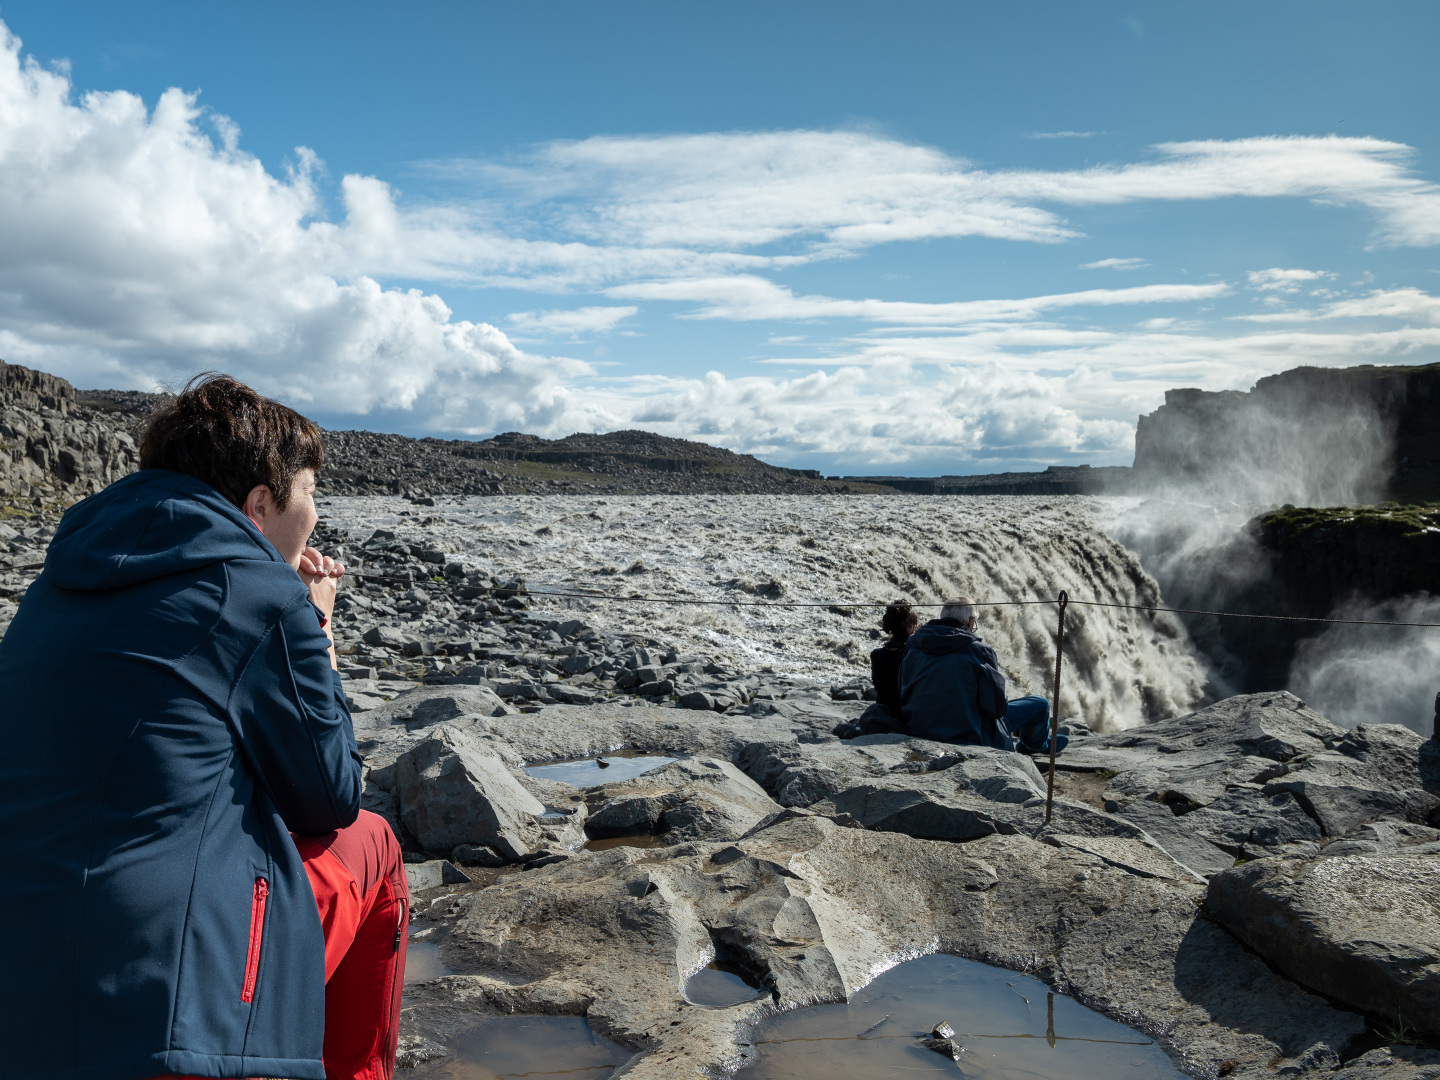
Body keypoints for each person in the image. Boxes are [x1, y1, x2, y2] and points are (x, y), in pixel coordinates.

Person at [0, 375, 407, 1080]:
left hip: (21, 964)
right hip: (151, 1004)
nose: (314, 511)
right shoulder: (261, 596)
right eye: (310, 492)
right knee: (373, 843)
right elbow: (330, 795)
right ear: (258, 504)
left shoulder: (65, 570)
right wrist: (314, 623)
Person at [900, 596, 1066, 755]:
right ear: (970, 621)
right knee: (1040, 704)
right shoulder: (979, 650)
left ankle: (1034, 742)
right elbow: (996, 708)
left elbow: (903, 685)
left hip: (920, 727)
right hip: (969, 731)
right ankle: (1035, 744)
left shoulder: (914, 643)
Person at [870, 599, 919, 717]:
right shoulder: (916, 654)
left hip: (883, 714)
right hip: (908, 717)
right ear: (913, 627)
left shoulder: (876, 655)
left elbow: (878, 688)